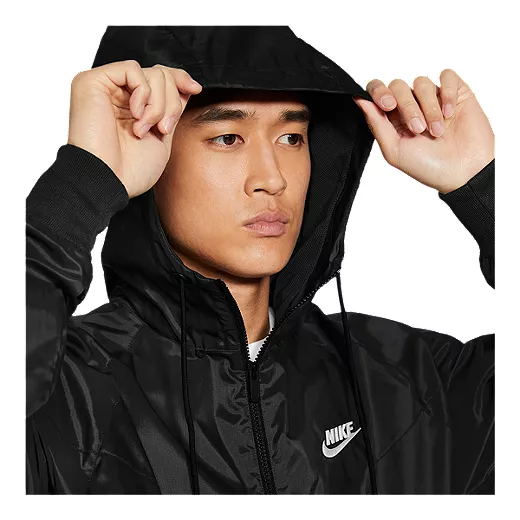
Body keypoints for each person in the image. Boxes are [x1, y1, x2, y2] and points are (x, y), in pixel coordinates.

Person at [26, 26, 494, 494]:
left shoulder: (410, 380)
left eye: (291, 138)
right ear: (145, 148)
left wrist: (486, 188)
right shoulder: (65, 393)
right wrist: (84, 181)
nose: (273, 179)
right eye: (228, 138)